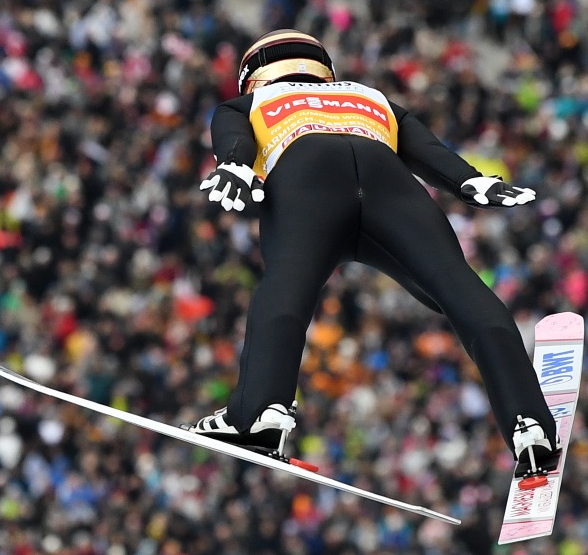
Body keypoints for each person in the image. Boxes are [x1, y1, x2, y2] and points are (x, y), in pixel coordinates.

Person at [183, 29, 560, 477]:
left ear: (252, 75)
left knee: (285, 291)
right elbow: (428, 150)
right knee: (461, 291)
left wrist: (233, 164)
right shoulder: (369, 95)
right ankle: (530, 423)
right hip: (390, 184)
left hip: (307, 178)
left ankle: (261, 413)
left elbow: (234, 138)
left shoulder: (247, 103)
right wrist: (470, 181)